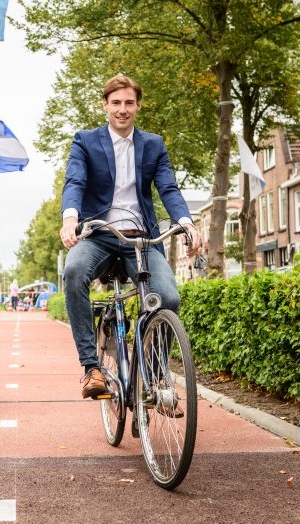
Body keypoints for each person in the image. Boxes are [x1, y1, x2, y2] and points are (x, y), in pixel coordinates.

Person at [59, 74, 203, 400]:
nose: (122, 109)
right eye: (115, 103)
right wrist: (70, 219)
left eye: (128, 103)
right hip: (98, 234)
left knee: (168, 298)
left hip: (141, 238)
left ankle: (152, 379)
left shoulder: (153, 144)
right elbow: (75, 182)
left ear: (138, 105)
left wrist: (187, 223)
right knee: (74, 271)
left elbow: (168, 188)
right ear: (105, 105)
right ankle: (91, 368)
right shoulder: (85, 141)